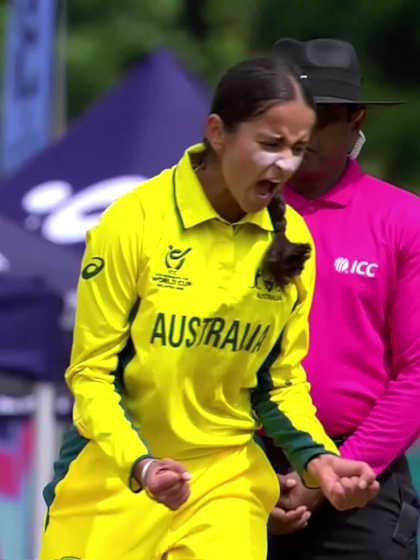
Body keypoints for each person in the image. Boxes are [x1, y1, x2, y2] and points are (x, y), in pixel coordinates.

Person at [39, 56, 379, 560]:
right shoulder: (132, 224)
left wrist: (320, 460)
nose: (285, 164)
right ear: (218, 133)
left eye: (297, 149)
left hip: (225, 482)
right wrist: (143, 467)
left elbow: (278, 381)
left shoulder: (292, 241)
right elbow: (91, 376)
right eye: (269, 144)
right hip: (116, 477)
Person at [266, 38, 420, 560]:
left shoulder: (402, 219)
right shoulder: (232, 217)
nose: (302, 131)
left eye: (321, 114)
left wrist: (325, 472)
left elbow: (417, 372)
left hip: (360, 474)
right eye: (289, 113)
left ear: (355, 119)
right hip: (234, 465)